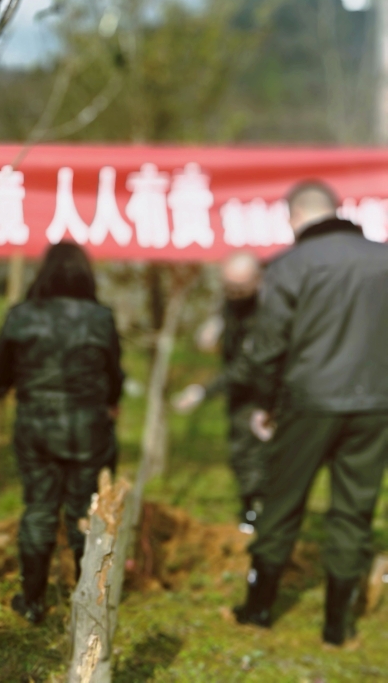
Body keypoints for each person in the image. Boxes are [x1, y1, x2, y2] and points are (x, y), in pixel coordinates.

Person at [230, 181, 388, 645]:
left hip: (309, 402)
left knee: (282, 502)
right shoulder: (383, 259)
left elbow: (267, 346)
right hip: (377, 402)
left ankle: (259, 610)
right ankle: (337, 626)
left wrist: (264, 402)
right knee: (354, 509)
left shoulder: (289, 265)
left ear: (295, 217)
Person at [0, 242, 124, 624]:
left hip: (36, 424)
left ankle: (32, 600)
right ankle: (87, 600)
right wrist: (110, 400)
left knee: (40, 508)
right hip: (88, 426)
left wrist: (3, 388)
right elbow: (113, 373)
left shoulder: (21, 316)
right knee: (84, 512)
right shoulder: (101, 318)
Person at [174, 251, 267, 533]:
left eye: (240, 289)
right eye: (229, 288)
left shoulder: (269, 312)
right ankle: (250, 508)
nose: (234, 294)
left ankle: (256, 515)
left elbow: (247, 367)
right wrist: (218, 324)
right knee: (241, 453)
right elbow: (229, 314)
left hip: (263, 391)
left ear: (258, 281)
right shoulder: (232, 303)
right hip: (239, 391)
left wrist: (203, 391)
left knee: (254, 456)